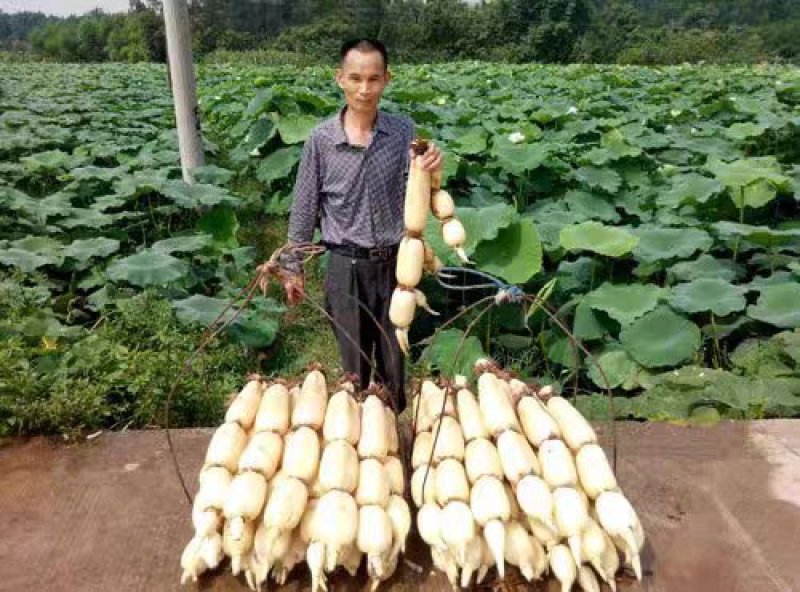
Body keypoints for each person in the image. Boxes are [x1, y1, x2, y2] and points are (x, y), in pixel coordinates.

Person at [277, 38, 442, 411]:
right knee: (353, 369)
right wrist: (293, 266)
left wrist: (432, 164)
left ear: (387, 79)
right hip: (343, 265)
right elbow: (304, 208)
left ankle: (393, 443)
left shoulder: (403, 133)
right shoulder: (320, 140)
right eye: (355, 78)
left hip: (395, 265)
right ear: (340, 79)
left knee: (394, 361)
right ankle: (355, 448)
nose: (364, 89)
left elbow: (420, 192)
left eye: (373, 79)